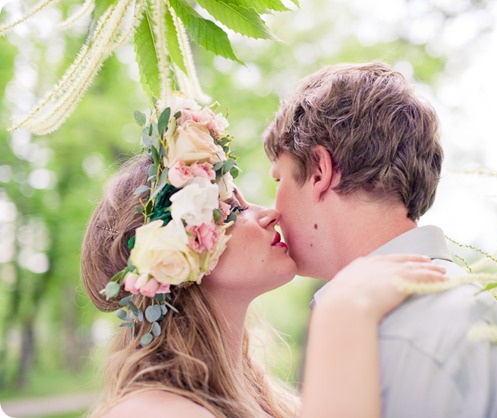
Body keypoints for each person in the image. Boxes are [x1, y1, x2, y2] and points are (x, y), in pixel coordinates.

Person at [80, 93, 446, 418]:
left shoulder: (266, 399)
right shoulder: (152, 411)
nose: (268, 213)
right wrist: (344, 315)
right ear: (179, 251)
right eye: (232, 209)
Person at [263, 61, 497, 417]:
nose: (272, 210)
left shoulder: (401, 336)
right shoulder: (459, 304)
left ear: (320, 171)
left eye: (280, 180)